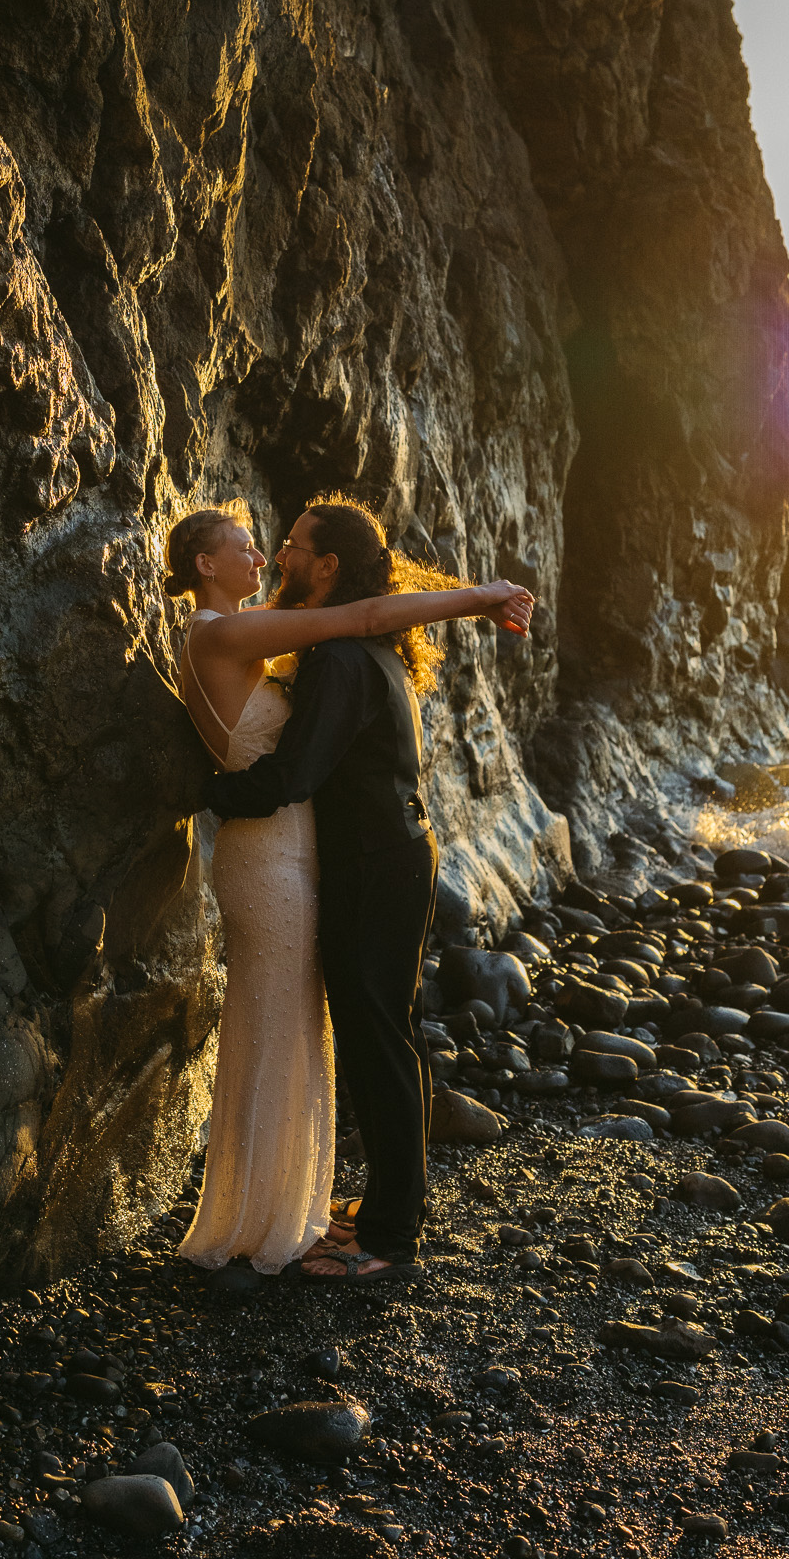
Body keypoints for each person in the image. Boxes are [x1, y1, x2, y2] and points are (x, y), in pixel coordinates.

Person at [167, 498, 532, 1278]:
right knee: (381, 1039)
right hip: (380, 856)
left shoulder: (336, 656)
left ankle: (390, 1239)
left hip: (375, 865)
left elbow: (293, 774)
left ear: (325, 566)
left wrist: (199, 794)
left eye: (293, 547)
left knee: (378, 1045)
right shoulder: (349, 650)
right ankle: (375, 1212)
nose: (277, 554)